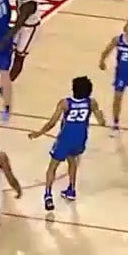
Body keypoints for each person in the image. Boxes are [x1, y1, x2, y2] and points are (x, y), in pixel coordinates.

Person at [28, 76, 106, 212]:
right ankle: (71, 189)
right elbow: (102, 122)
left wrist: (38, 133)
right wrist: (101, 116)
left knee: (52, 166)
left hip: (65, 138)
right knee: (72, 160)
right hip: (80, 138)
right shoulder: (91, 103)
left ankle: (48, 194)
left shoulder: (65, 103)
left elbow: (52, 123)